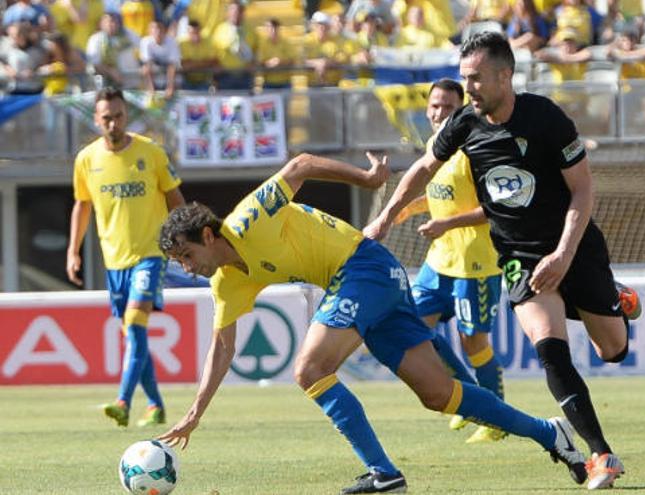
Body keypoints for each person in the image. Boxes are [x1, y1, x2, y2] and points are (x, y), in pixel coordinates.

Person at [156, 153, 588, 494]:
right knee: (438, 394)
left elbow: (301, 164)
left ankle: (383, 472)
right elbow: (222, 348)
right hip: (369, 280)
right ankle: (550, 433)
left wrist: (368, 180)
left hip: (362, 267)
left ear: (208, 236)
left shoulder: (248, 217)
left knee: (310, 370)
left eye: (187, 257)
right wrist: (195, 413)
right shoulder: (227, 284)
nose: (188, 268)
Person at [365, 31, 633, 490]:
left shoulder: (545, 118)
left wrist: (564, 255)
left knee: (613, 350)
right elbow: (423, 168)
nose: (468, 88)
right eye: (465, 77)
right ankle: (601, 455)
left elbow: (583, 189)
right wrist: (386, 217)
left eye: (476, 78)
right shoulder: (464, 124)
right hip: (520, 257)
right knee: (550, 349)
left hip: (573, 246)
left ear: (505, 76)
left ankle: (617, 299)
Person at [393, 78, 507, 444]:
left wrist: (447, 223)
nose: (439, 113)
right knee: (410, 326)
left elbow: (493, 207)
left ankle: (497, 419)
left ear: (459, 110)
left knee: (472, 341)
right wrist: (417, 206)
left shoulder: (475, 149)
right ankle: (468, 399)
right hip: (438, 261)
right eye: (434, 106)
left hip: (474, 262)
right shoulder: (433, 146)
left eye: (446, 107)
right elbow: (447, 195)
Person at [66, 87, 185, 428]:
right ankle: (156, 405)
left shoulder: (151, 153)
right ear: (96, 119)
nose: (113, 123)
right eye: (107, 117)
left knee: (134, 325)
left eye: (118, 116)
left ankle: (122, 401)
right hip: (114, 261)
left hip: (150, 255)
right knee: (134, 335)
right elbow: (82, 204)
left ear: (126, 116)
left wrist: (180, 240)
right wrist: (73, 250)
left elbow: (175, 198)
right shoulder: (87, 159)